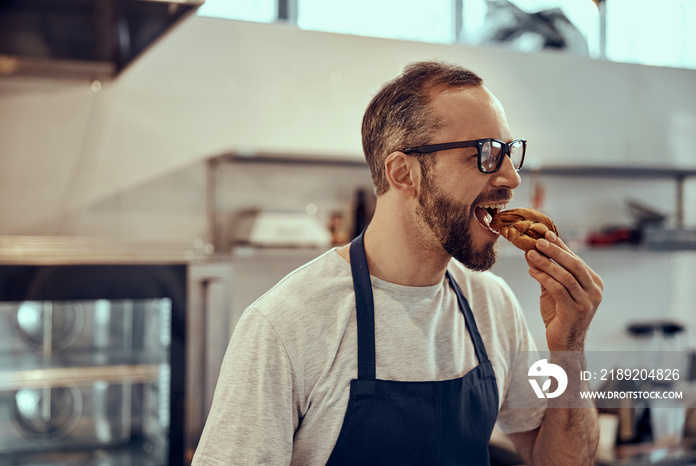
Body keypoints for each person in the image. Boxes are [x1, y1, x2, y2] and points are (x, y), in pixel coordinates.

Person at [192, 60, 603, 465]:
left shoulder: (492, 305)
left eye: (510, 152)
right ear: (404, 173)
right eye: (485, 153)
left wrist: (570, 348)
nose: (512, 178)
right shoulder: (286, 325)